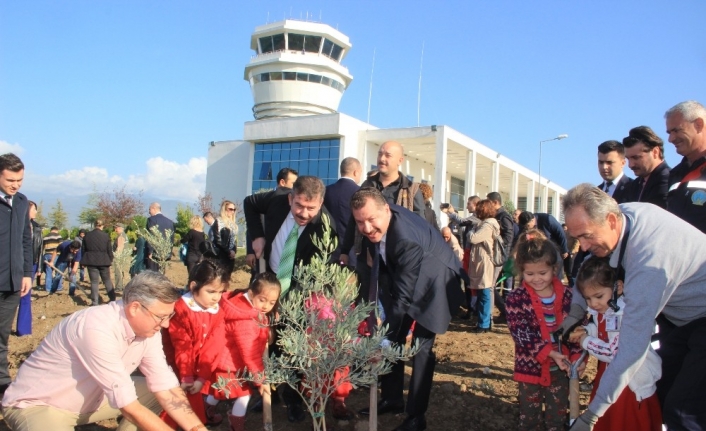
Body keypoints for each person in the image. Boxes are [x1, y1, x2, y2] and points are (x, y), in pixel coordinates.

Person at [560, 183, 706, 431]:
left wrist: (591, 416)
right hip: (683, 316)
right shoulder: (621, 215)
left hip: (700, 316)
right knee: (663, 387)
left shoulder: (649, 262)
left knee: (683, 412)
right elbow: (586, 264)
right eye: (577, 238)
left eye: (586, 236)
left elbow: (630, 351)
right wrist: (575, 312)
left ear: (611, 221)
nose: (582, 246)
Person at [2, 271, 208, 431]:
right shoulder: (95, 328)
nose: (165, 325)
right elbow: (128, 405)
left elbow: (166, 386)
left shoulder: (148, 330)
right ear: (135, 307)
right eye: (161, 317)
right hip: (41, 405)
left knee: (157, 393)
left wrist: (197, 428)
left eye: (169, 317)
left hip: (93, 401)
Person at [351, 187, 464, 431]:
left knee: (421, 349)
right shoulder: (381, 221)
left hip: (437, 283)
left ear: (386, 210)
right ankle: (392, 399)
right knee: (395, 334)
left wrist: (384, 342)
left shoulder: (404, 238)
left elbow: (403, 298)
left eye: (372, 220)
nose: (367, 228)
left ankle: (416, 417)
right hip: (412, 275)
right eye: (360, 222)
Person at [243, 175, 337, 422]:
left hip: (298, 290)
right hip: (269, 276)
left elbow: (318, 276)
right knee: (267, 338)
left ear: (320, 203)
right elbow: (249, 203)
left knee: (292, 343)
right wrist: (257, 235)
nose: (304, 213)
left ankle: (293, 396)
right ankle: (267, 391)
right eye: (299, 206)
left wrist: (284, 303)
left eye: (311, 208)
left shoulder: (325, 227)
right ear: (290, 198)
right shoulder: (275, 200)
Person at [568, 256, 662, 431]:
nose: (593, 304)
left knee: (624, 422)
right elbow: (601, 330)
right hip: (609, 376)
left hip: (629, 382)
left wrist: (585, 340)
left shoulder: (624, 315)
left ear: (618, 287)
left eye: (598, 296)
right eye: (587, 299)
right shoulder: (605, 309)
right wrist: (588, 331)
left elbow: (614, 353)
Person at [505, 229, 581, 431]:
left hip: (562, 371)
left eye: (542, 273)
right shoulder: (516, 299)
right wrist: (548, 352)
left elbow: (577, 330)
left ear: (554, 268)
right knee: (529, 419)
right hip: (530, 369)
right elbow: (521, 334)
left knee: (557, 418)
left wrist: (577, 356)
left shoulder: (568, 296)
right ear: (521, 270)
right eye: (529, 274)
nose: (537, 278)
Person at [208, 272, 280, 431]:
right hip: (229, 364)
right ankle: (236, 426)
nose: (266, 306)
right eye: (263, 300)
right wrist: (261, 380)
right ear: (252, 293)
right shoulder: (246, 322)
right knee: (243, 395)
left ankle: (206, 411)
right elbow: (251, 355)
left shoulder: (243, 303)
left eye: (272, 303)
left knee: (219, 390)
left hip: (226, 361)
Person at [161, 259, 229, 429]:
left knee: (190, 409)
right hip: (173, 368)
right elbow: (181, 345)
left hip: (195, 372)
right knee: (174, 407)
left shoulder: (217, 312)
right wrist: (187, 376)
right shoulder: (180, 310)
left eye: (220, 292)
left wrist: (202, 377)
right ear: (193, 286)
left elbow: (214, 346)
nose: (216, 297)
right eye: (211, 291)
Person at [0, 153, 32, 395]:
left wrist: (26, 273)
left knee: (2, 334)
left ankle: (2, 380)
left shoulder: (21, 202)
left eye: (19, 180)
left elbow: (25, 240)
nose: (16, 185)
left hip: (13, 280)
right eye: (11, 180)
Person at [665, 100, 706, 233]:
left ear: (698, 125)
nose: (671, 139)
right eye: (669, 132)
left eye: (676, 131)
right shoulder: (675, 174)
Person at [466, 199, 500, 333]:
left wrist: (471, 231)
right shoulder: (486, 224)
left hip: (485, 262)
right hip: (481, 261)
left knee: (485, 293)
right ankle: (482, 322)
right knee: (482, 293)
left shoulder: (488, 225)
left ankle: (484, 324)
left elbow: (473, 238)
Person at [324, 157, 361, 263]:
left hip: (329, 249)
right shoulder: (361, 192)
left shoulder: (326, 191)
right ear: (356, 172)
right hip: (352, 252)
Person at [622, 126, 670, 209]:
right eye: (628, 158)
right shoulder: (635, 184)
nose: (630, 165)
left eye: (636, 157)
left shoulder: (668, 180)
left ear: (655, 152)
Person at [17, 200, 41, 336]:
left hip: (31, 264)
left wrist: (39, 266)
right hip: (16, 264)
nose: (36, 212)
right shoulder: (16, 225)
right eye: (34, 209)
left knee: (25, 295)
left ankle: (23, 329)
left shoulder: (37, 228)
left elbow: (39, 249)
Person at [81, 219, 116, 306]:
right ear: (102, 226)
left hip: (91, 261)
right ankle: (112, 299)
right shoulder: (105, 236)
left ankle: (95, 302)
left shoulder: (87, 235)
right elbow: (109, 250)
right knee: (107, 280)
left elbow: (83, 250)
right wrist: (110, 259)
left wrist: (83, 261)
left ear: (94, 225)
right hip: (104, 260)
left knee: (94, 282)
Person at [145, 202, 175, 271]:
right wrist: (169, 253)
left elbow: (150, 236)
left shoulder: (151, 220)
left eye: (149, 209)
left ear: (154, 208)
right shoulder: (170, 222)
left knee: (152, 276)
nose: (149, 212)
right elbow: (171, 238)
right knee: (161, 275)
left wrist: (150, 251)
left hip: (154, 254)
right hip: (164, 253)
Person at [211, 200, 238, 274]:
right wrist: (228, 251)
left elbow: (234, 241)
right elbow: (217, 241)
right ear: (224, 209)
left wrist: (233, 251)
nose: (233, 211)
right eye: (230, 209)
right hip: (219, 256)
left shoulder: (233, 224)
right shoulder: (218, 222)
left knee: (226, 281)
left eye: (234, 209)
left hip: (230, 258)